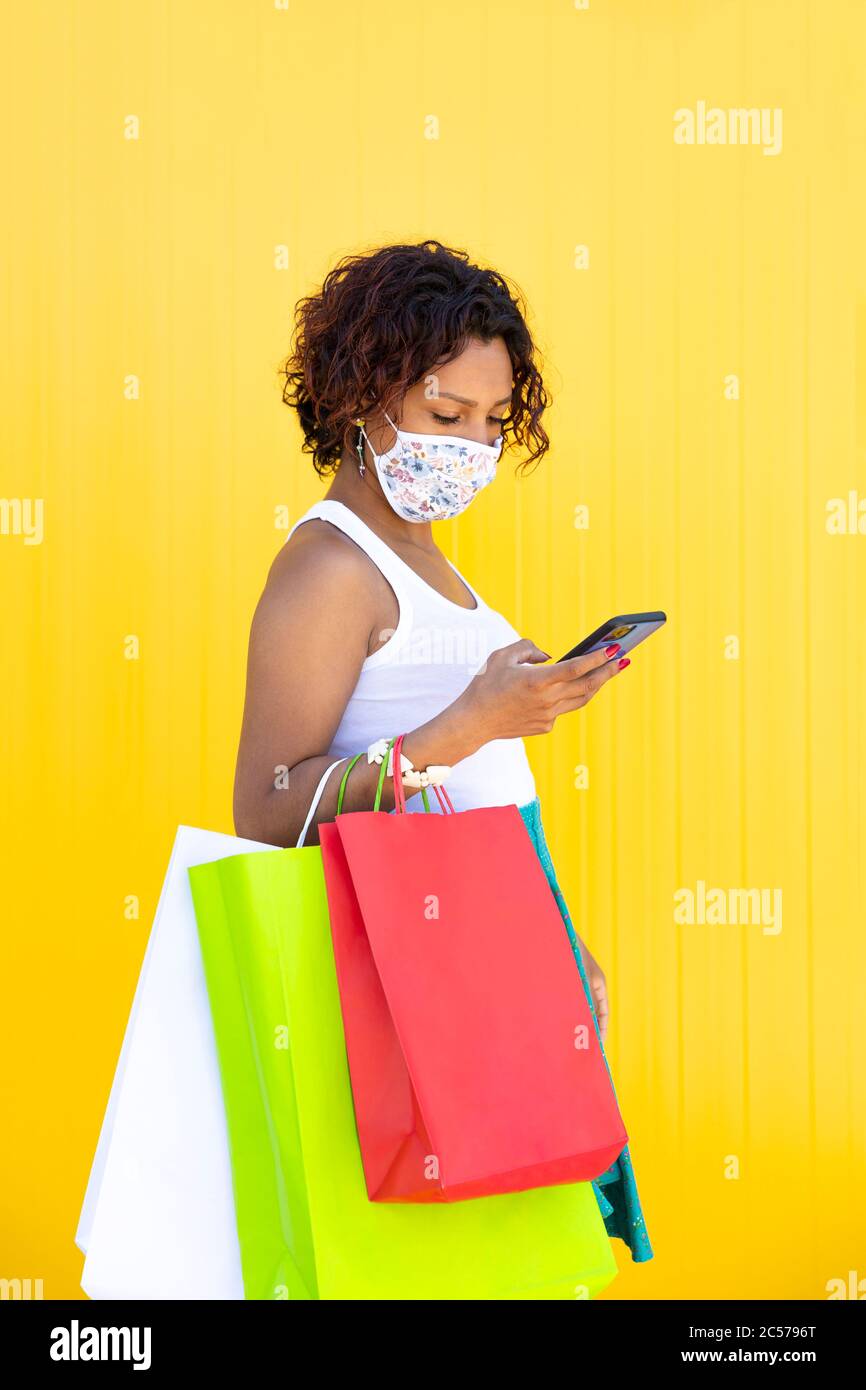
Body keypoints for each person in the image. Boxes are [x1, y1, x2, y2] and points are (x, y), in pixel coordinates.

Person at [233, 238, 653, 1270]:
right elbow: (266, 808)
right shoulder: (329, 566)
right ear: (359, 395)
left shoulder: (420, 553)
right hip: (414, 968)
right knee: (444, 1258)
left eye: (490, 421)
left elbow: (475, 783)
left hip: (486, 936)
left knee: (509, 1252)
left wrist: (554, 934)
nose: (471, 444)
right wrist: (469, 721)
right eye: (442, 414)